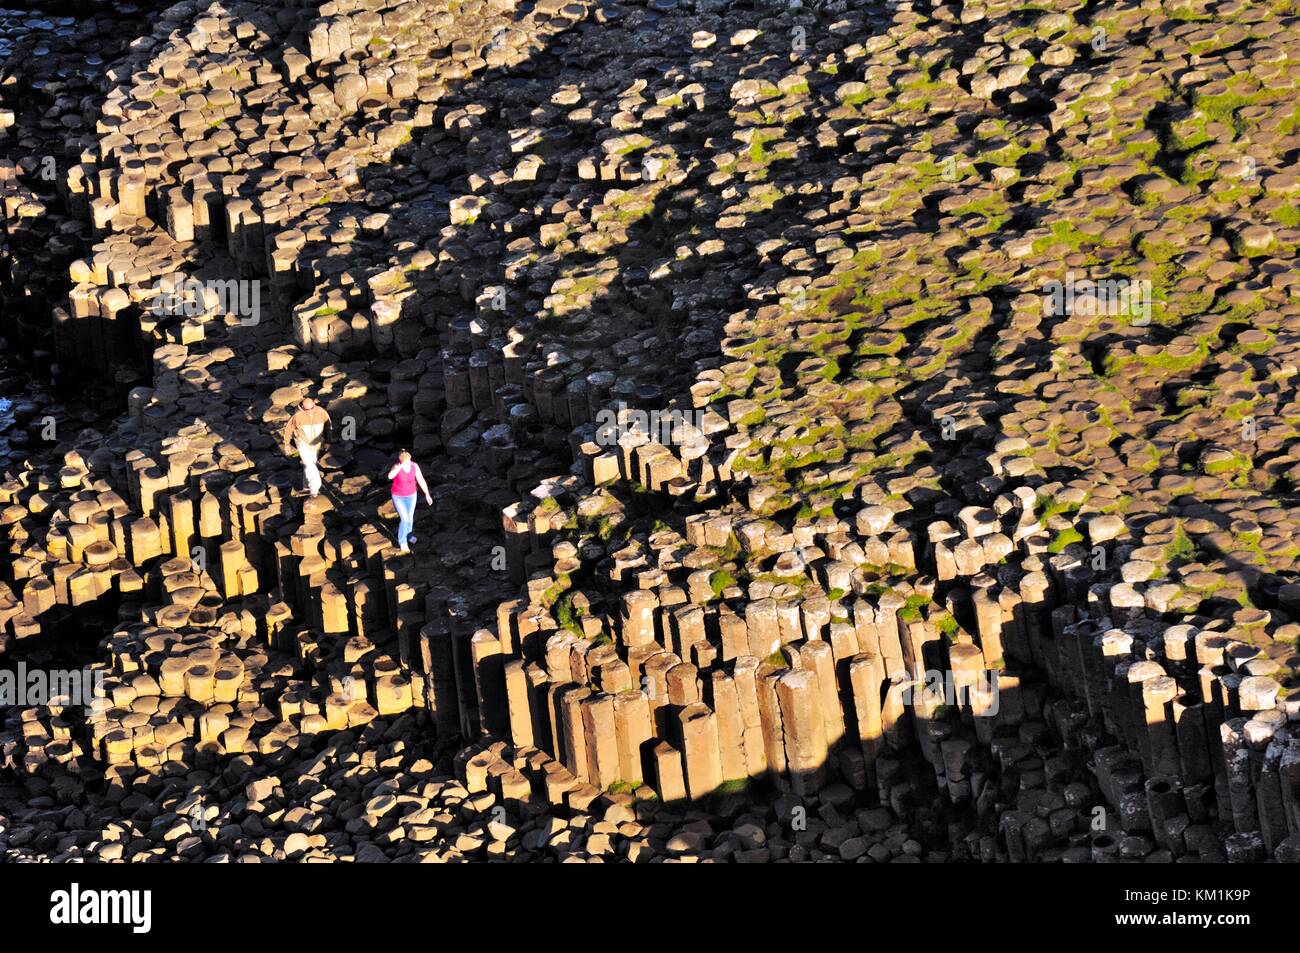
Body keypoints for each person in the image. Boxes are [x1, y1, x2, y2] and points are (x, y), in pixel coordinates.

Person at [283, 397, 332, 498]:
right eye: (307, 409)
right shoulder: (297, 416)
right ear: (302, 407)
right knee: (309, 464)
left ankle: (306, 487)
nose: (310, 411)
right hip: (302, 443)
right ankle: (314, 489)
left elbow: (328, 427)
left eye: (311, 408)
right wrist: (287, 444)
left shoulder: (322, 412)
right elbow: (288, 429)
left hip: (317, 443)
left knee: (310, 464)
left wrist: (328, 441)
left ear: (314, 405)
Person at [388, 450, 432, 553]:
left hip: (412, 495)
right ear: (400, 460)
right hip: (398, 496)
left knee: (410, 518)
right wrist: (400, 467)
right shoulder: (396, 467)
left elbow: (421, 480)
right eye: (405, 462)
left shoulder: (414, 466)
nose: (408, 464)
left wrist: (427, 494)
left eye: (408, 461)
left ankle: (409, 536)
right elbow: (390, 476)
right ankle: (402, 542)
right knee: (404, 519)